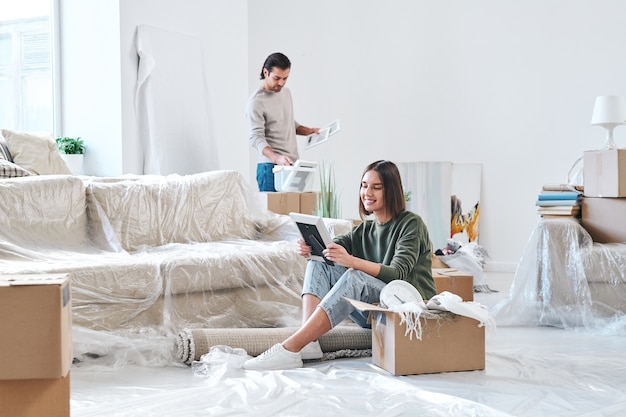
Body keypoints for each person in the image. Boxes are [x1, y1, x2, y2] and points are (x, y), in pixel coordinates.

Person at [244, 160, 437, 371]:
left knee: (355, 276)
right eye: (364, 185)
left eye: (376, 187)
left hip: (409, 307)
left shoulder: (410, 223)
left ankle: (291, 347)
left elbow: (398, 273)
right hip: (376, 310)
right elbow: (332, 247)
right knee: (321, 262)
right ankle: (309, 343)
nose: (367, 192)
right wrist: (311, 248)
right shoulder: (364, 230)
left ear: (391, 190)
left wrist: (351, 261)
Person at [247, 52, 319, 192]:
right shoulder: (256, 102)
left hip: (293, 165)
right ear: (265, 72)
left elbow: (287, 121)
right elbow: (256, 137)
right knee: (273, 214)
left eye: (285, 78)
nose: (281, 83)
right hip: (270, 168)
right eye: (277, 78)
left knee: (293, 213)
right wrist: (276, 158)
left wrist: (308, 131)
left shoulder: (286, 93)